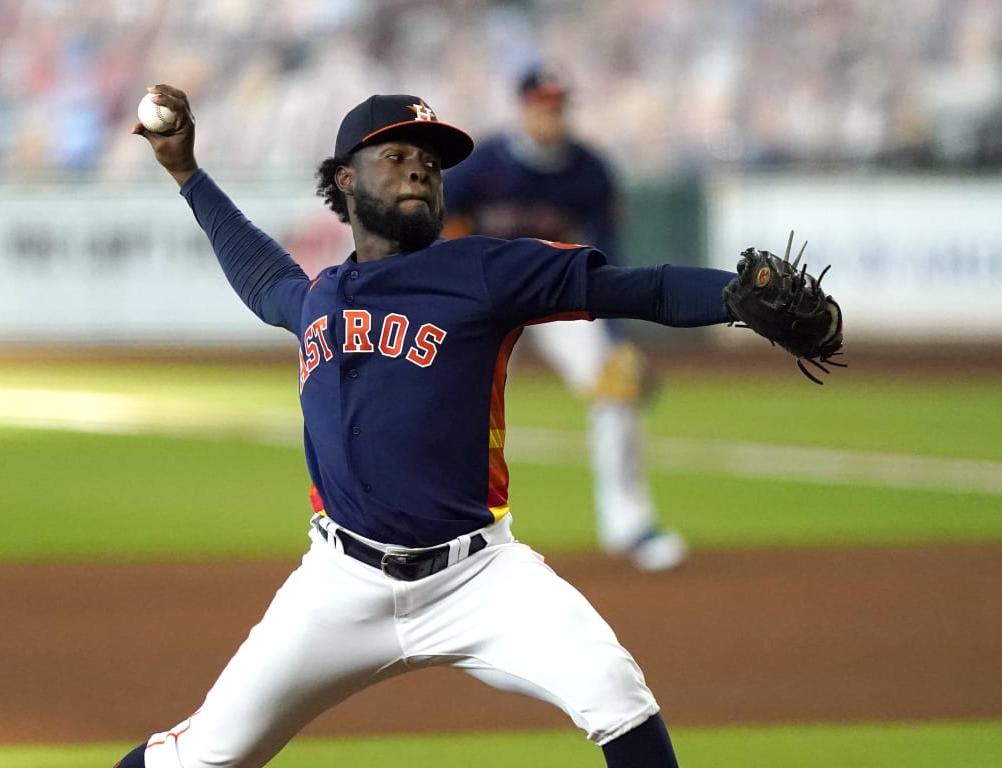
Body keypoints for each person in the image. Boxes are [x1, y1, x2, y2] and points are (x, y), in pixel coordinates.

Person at [119, 84, 744, 768]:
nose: (420, 166)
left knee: (619, 696)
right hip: (339, 584)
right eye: (397, 154)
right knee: (200, 756)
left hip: (478, 576)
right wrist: (186, 172)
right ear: (345, 179)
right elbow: (262, 274)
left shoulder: (482, 270)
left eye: (431, 160)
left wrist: (741, 298)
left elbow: (638, 286)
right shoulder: (319, 296)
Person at [443, 65, 684, 571]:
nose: (554, 116)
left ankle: (630, 522)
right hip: (485, 298)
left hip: (553, 295)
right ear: (524, 108)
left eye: (559, 106)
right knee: (442, 397)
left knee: (616, 386)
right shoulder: (483, 165)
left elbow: (608, 257)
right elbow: (437, 219)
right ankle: (443, 529)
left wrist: (616, 336)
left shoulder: (589, 170)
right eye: (544, 106)